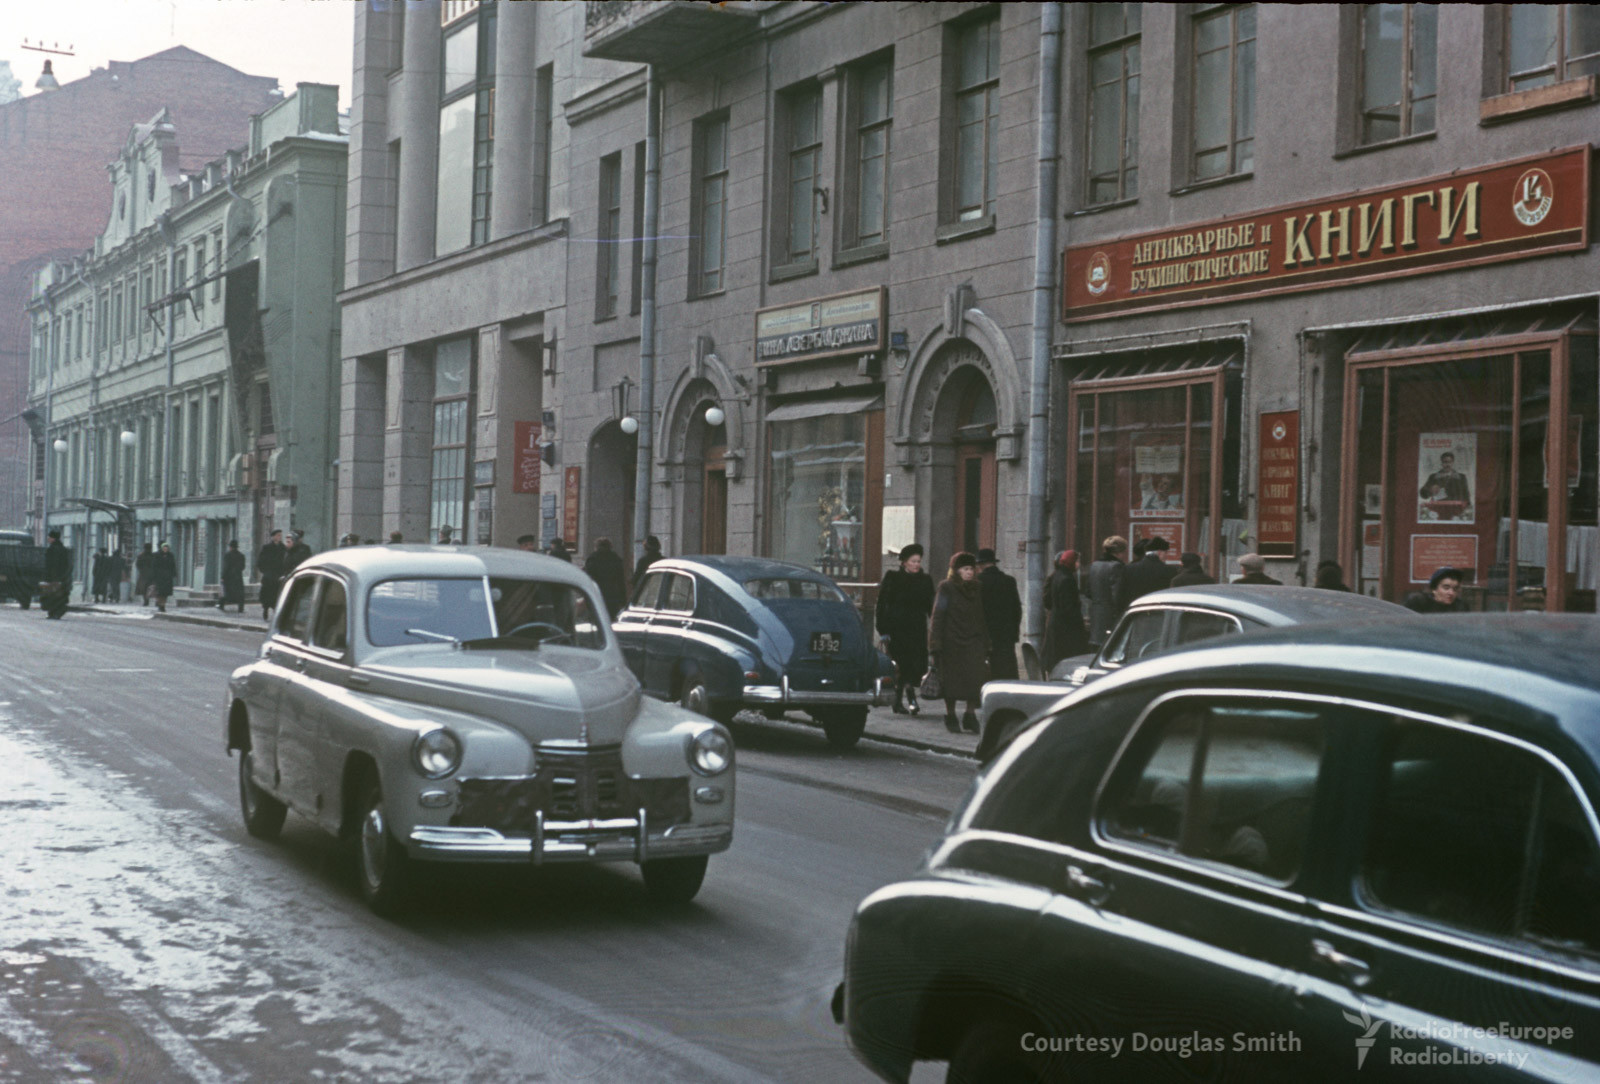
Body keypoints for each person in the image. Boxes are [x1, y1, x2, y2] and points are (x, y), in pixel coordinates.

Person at [929, 552, 990, 734]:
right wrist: (935, 644)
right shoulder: (946, 587)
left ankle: (970, 715)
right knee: (952, 682)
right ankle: (951, 715)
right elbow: (938, 616)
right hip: (952, 642)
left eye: (971, 569)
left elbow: (983, 616)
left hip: (974, 641)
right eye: (965, 569)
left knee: (974, 679)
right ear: (956, 571)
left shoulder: (978, 588)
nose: (969, 572)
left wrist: (987, 642)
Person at [875, 543, 936, 715]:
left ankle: (907, 697)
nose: (916, 564)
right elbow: (883, 605)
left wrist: (936, 626)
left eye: (918, 561)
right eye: (913, 561)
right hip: (897, 629)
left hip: (916, 628)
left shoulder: (925, 580)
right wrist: (883, 630)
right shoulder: (893, 578)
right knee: (901, 666)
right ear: (904, 562)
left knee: (915, 665)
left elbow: (931, 606)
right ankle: (905, 699)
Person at [976, 547, 1022, 681]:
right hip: (1006, 633)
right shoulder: (1009, 581)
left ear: (981, 565)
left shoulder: (978, 582)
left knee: (989, 672)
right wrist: (1014, 632)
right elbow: (1017, 609)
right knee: (1006, 671)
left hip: (986, 633)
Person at [1042, 550, 1090, 671]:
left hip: (1057, 622)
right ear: (1071, 562)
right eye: (1077, 561)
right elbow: (1068, 606)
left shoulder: (1057, 575)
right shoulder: (1067, 579)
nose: (1079, 564)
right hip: (1065, 627)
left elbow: (1048, 600)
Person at [1085, 536, 1129, 647]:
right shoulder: (1116, 567)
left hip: (1095, 613)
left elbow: (1088, 592)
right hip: (1110, 615)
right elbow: (1117, 595)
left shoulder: (1094, 565)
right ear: (1119, 552)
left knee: (1096, 646)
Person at [1124, 535, 1177, 602]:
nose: (1166, 556)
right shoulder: (1170, 570)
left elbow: (1122, 594)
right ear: (1159, 552)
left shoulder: (1129, 568)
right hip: (1157, 609)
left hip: (1136, 608)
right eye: (1166, 552)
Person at [584, 538, 627, 616]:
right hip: (612, 594)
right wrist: (623, 599)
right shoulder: (615, 558)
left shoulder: (593, 558)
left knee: (597, 617)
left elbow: (589, 578)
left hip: (597, 593)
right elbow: (620, 580)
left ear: (596, 546)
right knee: (611, 617)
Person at [257, 529, 286, 620]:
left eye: (280, 535)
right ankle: (265, 609)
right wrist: (265, 571)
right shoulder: (267, 547)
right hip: (269, 575)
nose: (279, 537)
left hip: (279, 575)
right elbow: (260, 561)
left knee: (277, 594)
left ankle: (276, 612)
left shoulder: (283, 548)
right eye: (277, 535)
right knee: (267, 594)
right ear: (273, 537)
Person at [42, 529, 71, 619]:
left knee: (52, 595)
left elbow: (52, 564)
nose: (48, 539)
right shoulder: (63, 549)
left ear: (53, 538)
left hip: (54, 577)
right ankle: (55, 612)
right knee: (59, 595)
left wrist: (51, 577)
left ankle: (54, 612)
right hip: (61, 577)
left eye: (49, 537)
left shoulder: (53, 549)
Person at [220, 540, 247, 613]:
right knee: (240, 593)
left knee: (225, 591)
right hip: (238, 577)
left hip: (229, 577)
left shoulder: (227, 555)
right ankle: (241, 608)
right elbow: (243, 567)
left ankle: (221, 605)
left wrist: (222, 576)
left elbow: (226, 567)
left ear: (231, 547)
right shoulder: (241, 556)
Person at [150, 542, 177, 613]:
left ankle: (163, 605)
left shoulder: (170, 555)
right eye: (164, 548)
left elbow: (173, 565)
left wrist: (174, 574)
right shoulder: (156, 555)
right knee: (159, 592)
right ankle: (160, 604)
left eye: (167, 548)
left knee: (165, 593)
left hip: (168, 577)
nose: (165, 549)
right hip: (159, 577)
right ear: (161, 548)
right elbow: (153, 566)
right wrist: (153, 575)